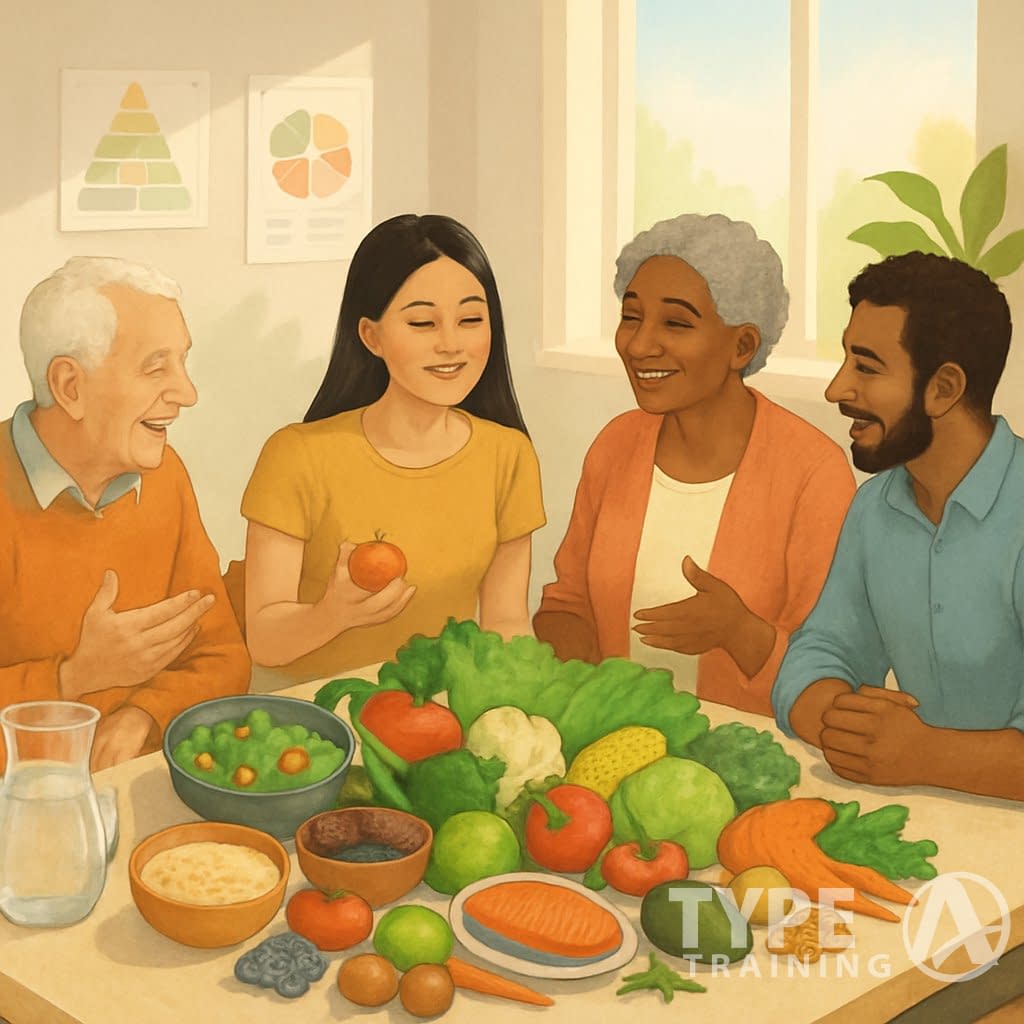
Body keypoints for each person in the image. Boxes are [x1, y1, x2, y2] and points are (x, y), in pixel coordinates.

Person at [533, 213, 856, 715]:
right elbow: (567, 605)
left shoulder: (813, 472)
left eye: (676, 323)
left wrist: (739, 631)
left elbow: (833, 674)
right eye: (631, 315)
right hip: (611, 744)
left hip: (751, 757)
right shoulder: (617, 445)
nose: (639, 345)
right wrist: (588, 691)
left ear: (742, 345)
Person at [241, 214, 545, 681]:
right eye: (423, 322)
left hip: (445, 713)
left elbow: (505, 622)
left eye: (470, 320)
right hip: (319, 720)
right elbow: (263, 639)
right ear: (371, 336)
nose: (451, 344)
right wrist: (333, 613)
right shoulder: (297, 454)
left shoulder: (508, 455)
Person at [772, 252, 1024, 802]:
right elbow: (820, 651)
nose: (837, 389)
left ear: (943, 388)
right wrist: (842, 719)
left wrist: (924, 754)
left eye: (866, 367)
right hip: (921, 817)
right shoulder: (875, 508)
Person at [1, 256, 250, 773]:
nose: (188, 393)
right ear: (70, 387)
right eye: (156, 367)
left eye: (182, 363)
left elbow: (223, 657)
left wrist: (142, 712)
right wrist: (72, 678)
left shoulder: (163, 475)